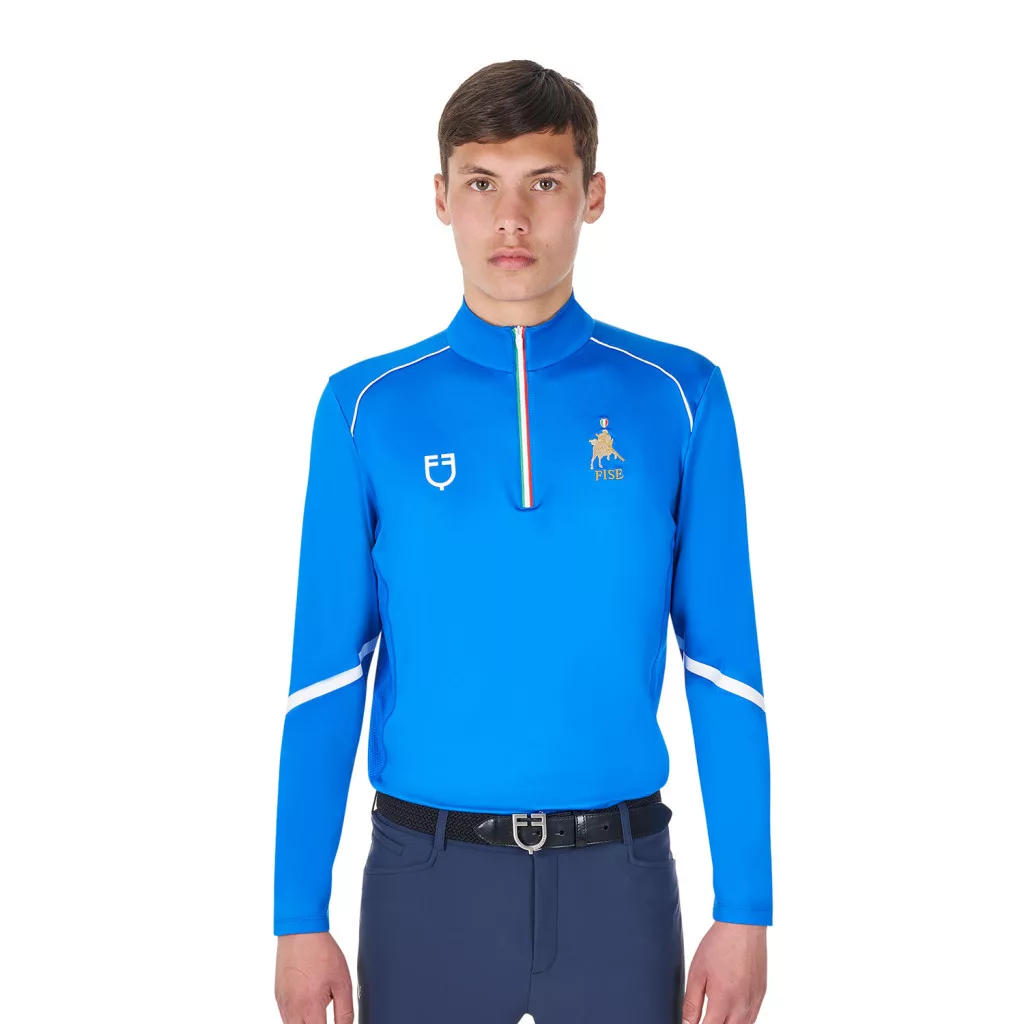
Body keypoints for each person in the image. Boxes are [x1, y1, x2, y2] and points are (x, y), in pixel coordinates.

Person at [273, 59, 771, 1024]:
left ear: (593, 196)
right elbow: (325, 673)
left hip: (620, 883)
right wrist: (300, 914)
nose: (511, 219)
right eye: (481, 184)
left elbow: (724, 667)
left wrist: (745, 906)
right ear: (440, 199)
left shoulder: (679, 397)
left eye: (543, 182)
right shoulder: (366, 407)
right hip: (426, 885)